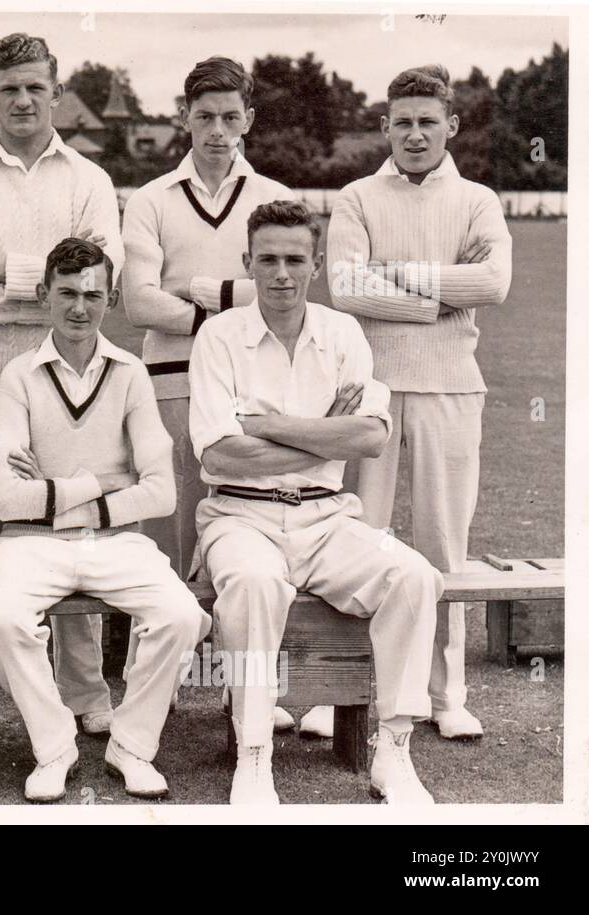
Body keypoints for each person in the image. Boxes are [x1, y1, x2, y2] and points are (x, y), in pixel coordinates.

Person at [189, 200, 443, 804]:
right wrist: (323, 433)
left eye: (295, 259)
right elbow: (220, 458)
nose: (281, 273)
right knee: (252, 582)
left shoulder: (342, 333)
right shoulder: (220, 336)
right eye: (268, 259)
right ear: (247, 262)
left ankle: (395, 750)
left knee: (413, 574)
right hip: (238, 515)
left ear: (317, 264)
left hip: (327, 517)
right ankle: (254, 756)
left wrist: (270, 426)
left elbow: (372, 438)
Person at [0, 31, 123, 738]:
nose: (21, 99)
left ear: (55, 90)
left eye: (34, 87)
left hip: (69, 380)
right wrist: (48, 284)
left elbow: (101, 282)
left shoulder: (89, 180)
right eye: (9, 88)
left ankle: (84, 692)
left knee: (65, 529)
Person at [317, 64, 512, 741]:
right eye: (403, 121)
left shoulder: (479, 200)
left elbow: (493, 282)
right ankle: (336, 688)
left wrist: (401, 274)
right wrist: (437, 300)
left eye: (429, 121)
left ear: (451, 125)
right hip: (364, 388)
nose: (416, 133)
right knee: (353, 539)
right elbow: (345, 289)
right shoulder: (358, 197)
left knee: (441, 543)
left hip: (453, 387)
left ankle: (445, 691)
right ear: (384, 126)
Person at [0, 237, 209, 803]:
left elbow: (162, 494)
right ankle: (54, 747)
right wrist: (105, 481)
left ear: (110, 298)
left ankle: (131, 746)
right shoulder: (17, 375)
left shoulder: (131, 372)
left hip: (114, 542)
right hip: (30, 543)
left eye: (93, 295)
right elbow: (9, 502)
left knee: (182, 614)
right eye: (66, 293)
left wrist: (56, 492)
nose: (80, 307)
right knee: (5, 619)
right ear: (43, 296)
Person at [121, 56, 300, 732]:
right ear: (183, 118)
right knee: (167, 532)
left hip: (255, 387)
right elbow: (138, 302)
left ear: (249, 119)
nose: (219, 131)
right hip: (169, 383)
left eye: (231, 117)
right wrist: (235, 307)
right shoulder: (151, 199)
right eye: (205, 117)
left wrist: (201, 294)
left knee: (247, 529)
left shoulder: (274, 197)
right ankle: (157, 680)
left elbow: (287, 294)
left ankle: (243, 684)